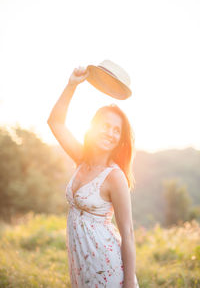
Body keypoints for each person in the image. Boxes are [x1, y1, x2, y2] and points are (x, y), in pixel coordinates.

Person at [47, 65, 139, 288]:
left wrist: (128, 281)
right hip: (81, 260)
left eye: (116, 130)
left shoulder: (115, 177)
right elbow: (55, 123)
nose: (110, 132)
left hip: (106, 264)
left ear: (121, 139)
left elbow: (127, 232)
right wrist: (72, 85)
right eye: (105, 125)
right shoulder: (82, 158)